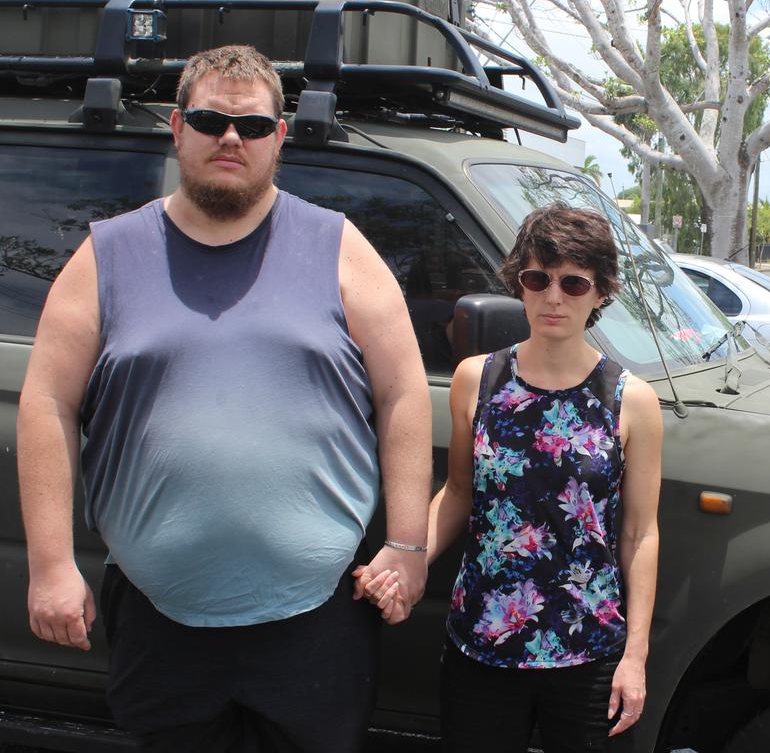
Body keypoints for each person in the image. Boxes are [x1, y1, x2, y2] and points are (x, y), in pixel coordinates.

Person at [18, 44, 431, 752]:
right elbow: (47, 403)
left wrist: (408, 544)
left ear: (280, 135)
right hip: (159, 618)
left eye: (254, 126)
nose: (231, 138)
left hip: (320, 618)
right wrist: (53, 564)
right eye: (210, 120)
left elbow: (403, 395)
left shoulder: (340, 246)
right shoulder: (106, 256)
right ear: (177, 127)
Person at [361, 203, 662, 751]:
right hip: (483, 645)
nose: (553, 296)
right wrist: (405, 557)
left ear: (600, 293)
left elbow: (641, 534)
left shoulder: (631, 401)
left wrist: (635, 657)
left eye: (574, 282)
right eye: (537, 278)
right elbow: (458, 493)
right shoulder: (476, 379)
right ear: (518, 285)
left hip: (589, 651)